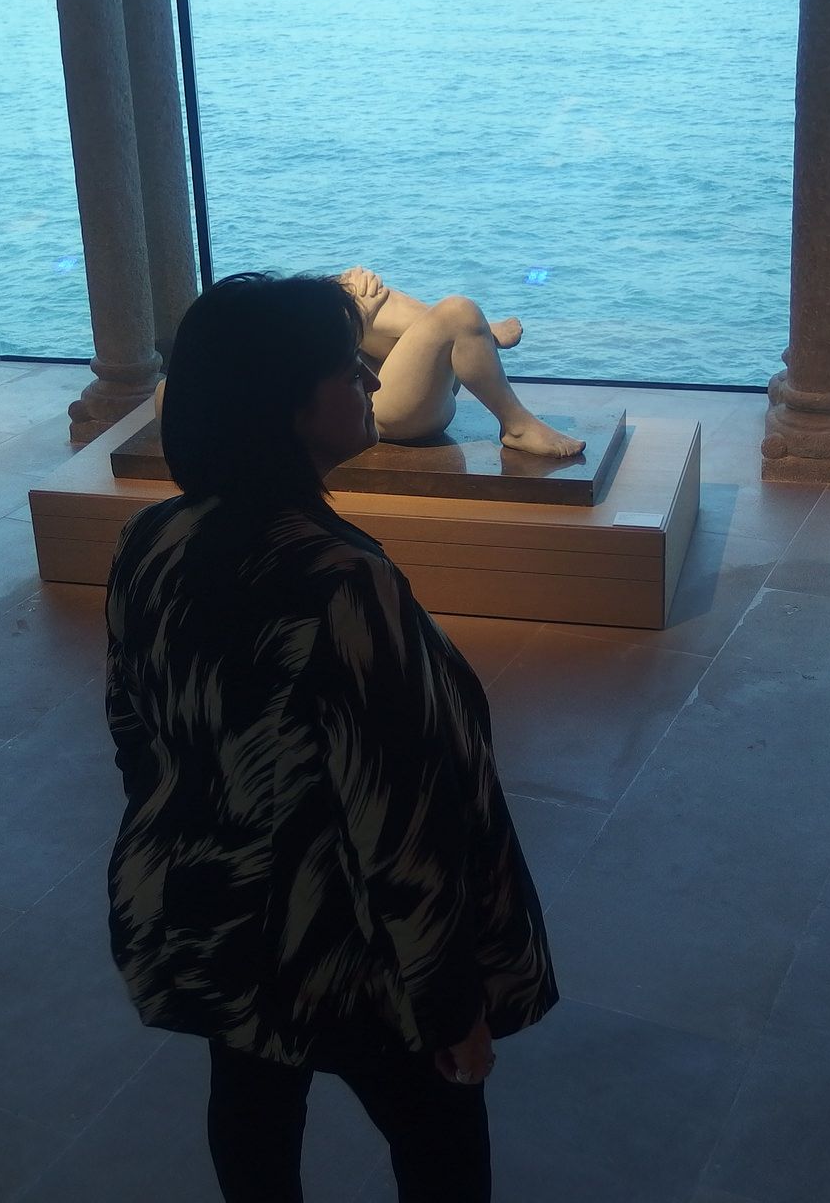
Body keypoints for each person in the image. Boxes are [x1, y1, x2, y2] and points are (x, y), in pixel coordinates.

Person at [103, 272, 558, 1203]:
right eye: (349, 368)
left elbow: (135, 735)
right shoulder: (341, 582)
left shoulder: (151, 540)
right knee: (438, 1139)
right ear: (290, 408)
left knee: (251, 1105)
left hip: (218, 913)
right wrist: (448, 1002)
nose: (369, 377)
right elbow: (399, 815)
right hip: (343, 941)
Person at [335, 266, 586, 457]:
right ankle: (517, 426)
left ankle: (473, 332)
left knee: (349, 290)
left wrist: (351, 295)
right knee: (458, 312)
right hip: (374, 410)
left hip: (401, 387)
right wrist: (359, 315)